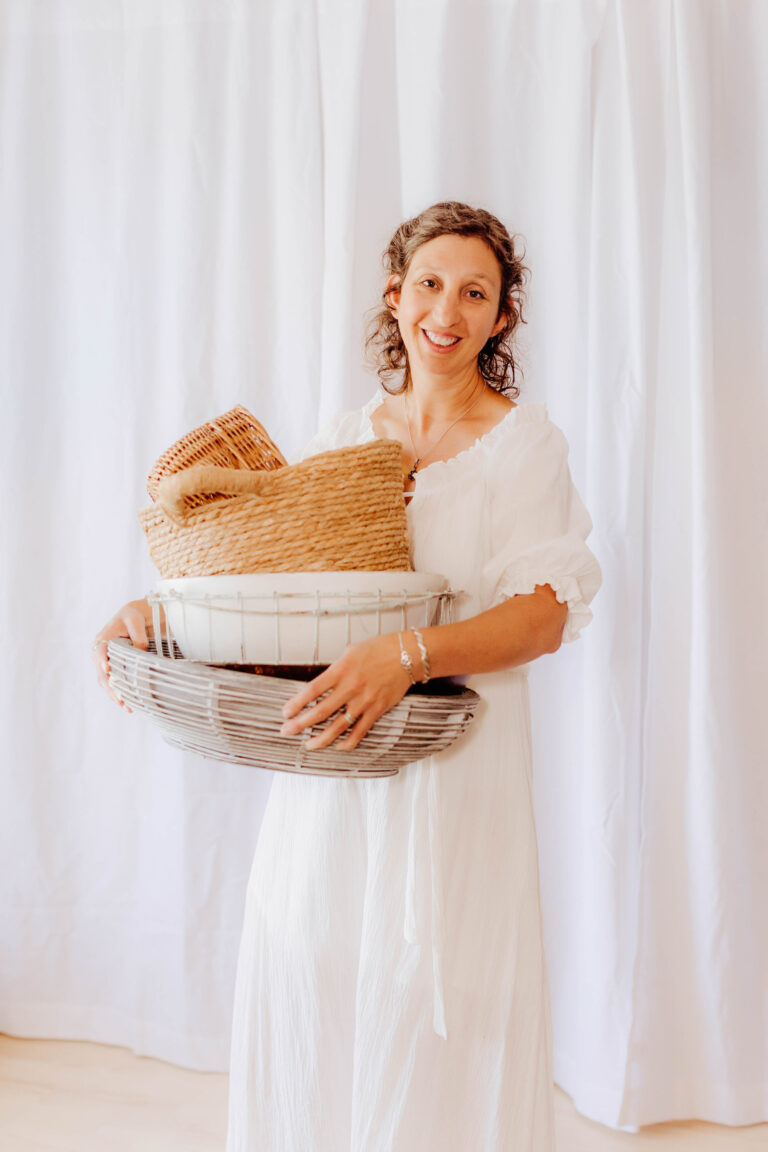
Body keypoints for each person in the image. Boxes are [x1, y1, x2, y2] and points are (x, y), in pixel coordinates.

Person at [92, 201, 601, 1151]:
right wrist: (156, 616)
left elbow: (546, 614)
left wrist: (403, 657)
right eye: (430, 283)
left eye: (475, 291)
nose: (446, 309)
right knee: (319, 981)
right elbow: (276, 584)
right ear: (395, 295)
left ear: (502, 318)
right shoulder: (345, 437)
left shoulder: (526, 446)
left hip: (459, 769)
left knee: (442, 998)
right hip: (336, 753)